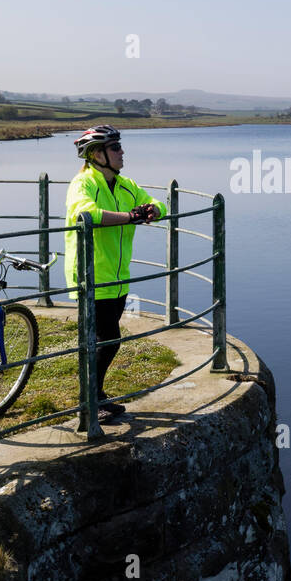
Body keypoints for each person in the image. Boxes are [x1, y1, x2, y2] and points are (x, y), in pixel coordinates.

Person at [65, 125, 166, 420]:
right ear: (97, 154)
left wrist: (151, 211)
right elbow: (89, 214)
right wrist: (130, 217)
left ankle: (94, 396)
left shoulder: (125, 185)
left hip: (118, 276)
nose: (122, 153)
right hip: (91, 275)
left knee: (108, 340)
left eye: (120, 147)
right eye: (115, 148)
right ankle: (89, 402)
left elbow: (159, 203)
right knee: (105, 339)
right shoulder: (82, 184)